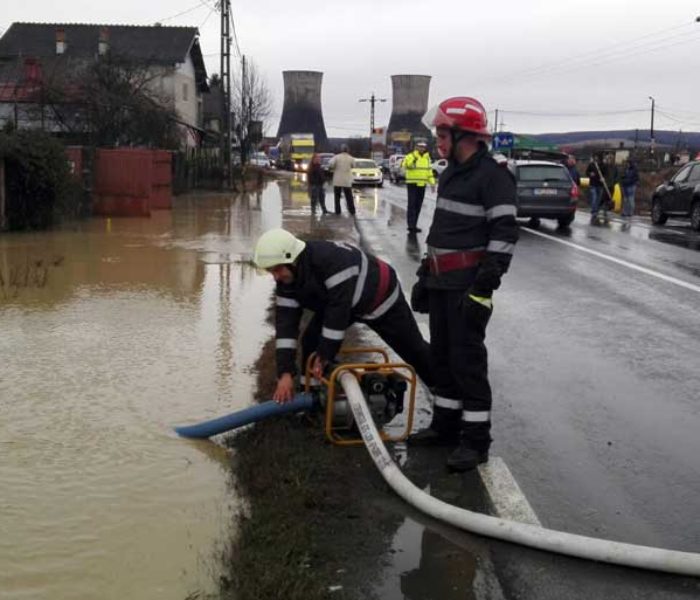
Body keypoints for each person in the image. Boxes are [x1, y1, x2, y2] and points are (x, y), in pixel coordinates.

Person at [408, 96, 519, 472]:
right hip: (442, 282)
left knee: (466, 363)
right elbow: (442, 231)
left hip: (468, 286)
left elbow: (504, 236)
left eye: (441, 134)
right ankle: (446, 428)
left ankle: (475, 442)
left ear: (463, 135)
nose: (437, 142)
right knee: (441, 359)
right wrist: (426, 274)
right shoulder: (452, 172)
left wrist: (483, 288)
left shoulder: (493, 176)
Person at [253, 228, 434, 402]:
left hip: (380, 297)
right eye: (271, 271)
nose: (275, 277)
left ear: (292, 260)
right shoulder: (288, 280)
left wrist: (325, 355)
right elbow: (286, 328)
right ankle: (310, 397)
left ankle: (446, 394)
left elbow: (336, 318)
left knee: (414, 350)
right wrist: (285, 374)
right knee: (311, 341)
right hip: (344, 301)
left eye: (277, 270)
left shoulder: (331, 263)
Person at [402, 141, 436, 233]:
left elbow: (429, 172)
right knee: (412, 205)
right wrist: (414, 159)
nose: (422, 149)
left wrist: (432, 183)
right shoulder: (410, 156)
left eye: (423, 147)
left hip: (422, 184)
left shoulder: (427, 158)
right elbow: (406, 165)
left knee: (418, 205)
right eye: (420, 147)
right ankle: (411, 225)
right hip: (412, 183)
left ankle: (414, 224)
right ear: (416, 147)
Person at [328, 145, 356, 216]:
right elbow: (354, 165)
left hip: (337, 180)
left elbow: (330, 164)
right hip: (347, 180)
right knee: (349, 197)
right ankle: (352, 210)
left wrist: (333, 168)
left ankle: (338, 211)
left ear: (341, 150)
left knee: (337, 197)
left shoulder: (336, 157)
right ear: (348, 150)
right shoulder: (351, 158)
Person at [585, 154, 607, 224]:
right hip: (593, 184)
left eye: (597, 157)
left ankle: (596, 210)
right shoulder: (591, 165)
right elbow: (587, 172)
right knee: (594, 197)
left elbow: (606, 174)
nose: (596, 158)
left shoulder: (603, 165)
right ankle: (594, 211)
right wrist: (590, 174)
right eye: (595, 157)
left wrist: (603, 178)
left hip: (600, 184)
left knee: (598, 198)